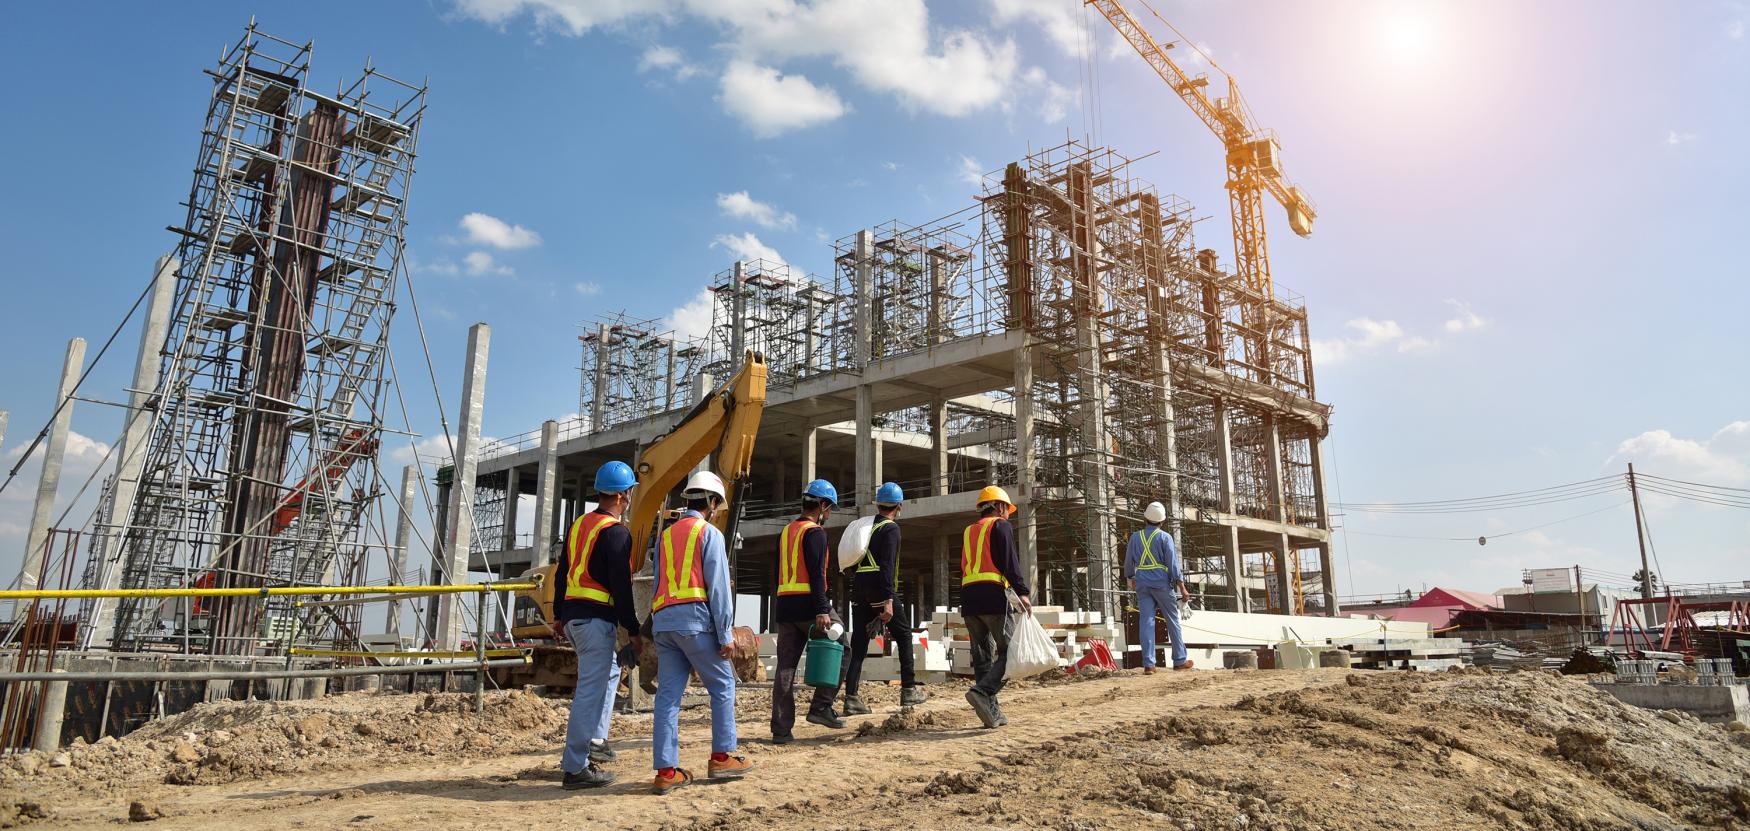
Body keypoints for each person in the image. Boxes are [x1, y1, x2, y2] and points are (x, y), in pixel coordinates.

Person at [648, 471, 753, 795]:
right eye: (717, 504)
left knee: (667, 698)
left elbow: (656, 584)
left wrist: (652, 625)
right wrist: (725, 636)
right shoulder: (709, 534)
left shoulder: (664, 537)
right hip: (695, 621)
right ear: (711, 501)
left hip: (663, 622)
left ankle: (666, 772)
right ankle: (721, 757)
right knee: (722, 684)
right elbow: (719, 589)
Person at [552, 460, 642, 789]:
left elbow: (562, 573)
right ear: (622, 496)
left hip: (575, 618)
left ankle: (595, 742)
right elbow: (621, 585)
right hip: (593, 620)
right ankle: (575, 766)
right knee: (590, 692)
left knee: (609, 674)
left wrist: (559, 615)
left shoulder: (580, 526)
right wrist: (633, 630)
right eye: (630, 492)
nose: (631, 497)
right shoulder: (616, 533)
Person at [769, 479, 850, 743]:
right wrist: (822, 609)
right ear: (822, 505)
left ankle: (781, 730)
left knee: (786, 667)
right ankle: (821, 706)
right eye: (829, 509)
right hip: (809, 606)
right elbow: (817, 574)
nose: (829, 514)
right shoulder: (815, 533)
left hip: (785, 607)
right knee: (844, 646)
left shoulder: (787, 531)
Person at [843, 482, 928, 715]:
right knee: (903, 635)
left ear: (878, 504)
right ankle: (909, 690)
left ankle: (851, 698)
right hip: (879, 589)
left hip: (859, 587)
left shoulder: (866, 527)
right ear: (899, 506)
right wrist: (888, 598)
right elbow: (888, 565)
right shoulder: (890, 529)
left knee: (859, 643)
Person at [959, 485, 1031, 729]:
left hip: (969, 599)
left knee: (982, 658)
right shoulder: (1000, 526)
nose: (1008, 514)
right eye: (1007, 509)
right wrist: (1022, 592)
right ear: (999, 506)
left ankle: (990, 711)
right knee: (1010, 653)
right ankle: (982, 692)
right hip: (992, 596)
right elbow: (1010, 561)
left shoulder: (969, 530)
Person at [1126, 501, 1193, 673]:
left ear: (1145, 518)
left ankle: (1149, 664)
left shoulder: (1135, 537)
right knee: (1172, 621)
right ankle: (1179, 661)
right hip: (1162, 584)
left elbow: (1128, 564)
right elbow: (1173, 564)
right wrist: (1182, 587)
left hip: (1142, 584)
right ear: (1162, 521)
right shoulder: (1165, 537)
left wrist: (1132, 577)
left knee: (1146, 622)